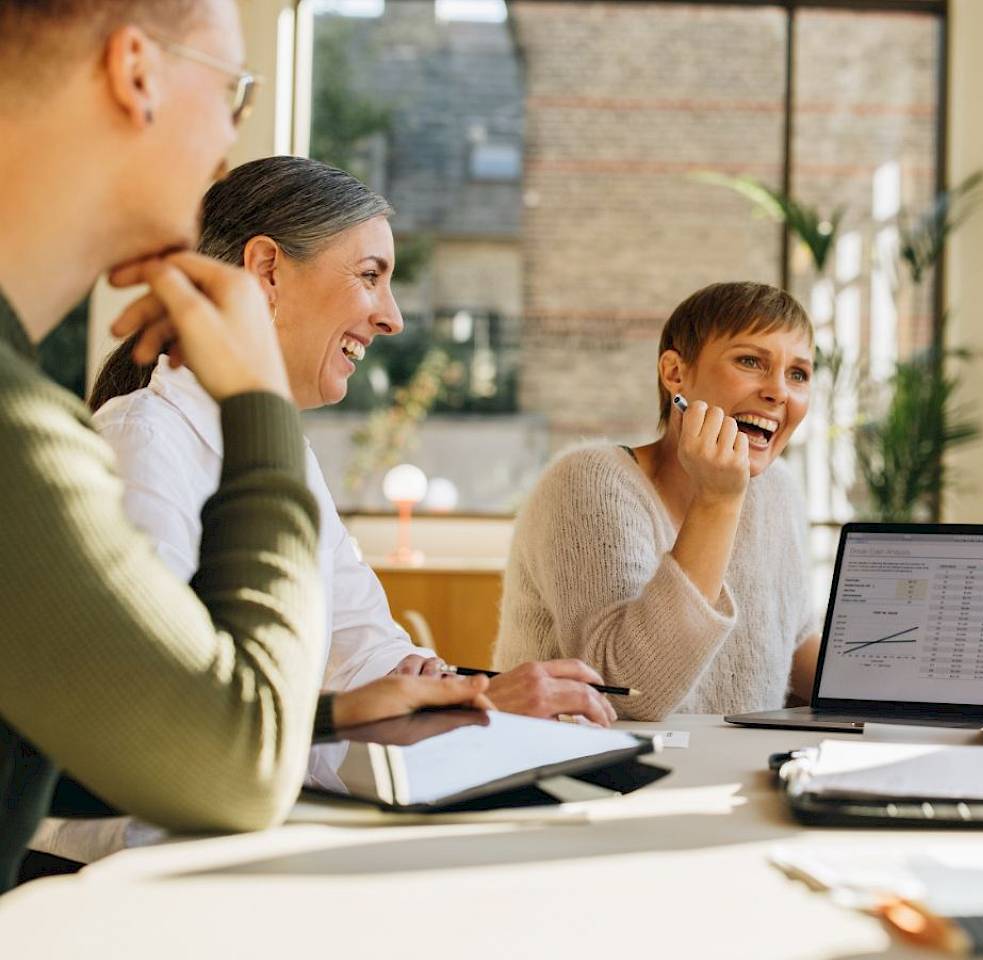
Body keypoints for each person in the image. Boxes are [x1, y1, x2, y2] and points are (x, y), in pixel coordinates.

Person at [0, 0, 487, 892]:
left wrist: (339, 713)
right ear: (136, 72)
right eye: (236, 92)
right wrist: (256, 401)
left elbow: (70, 745)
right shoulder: (44, 436)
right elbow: (227, 769)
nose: (226, 152)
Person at [86, 155, 616, 727]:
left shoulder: (286, 457)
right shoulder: (140, 443)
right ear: (267, 269)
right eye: (369, 276)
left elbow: (365, 650)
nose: (392, 319)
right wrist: (464, 707)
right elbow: (171, 707)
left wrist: (438, 687)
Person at [496, 282, 819, 721]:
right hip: (592, 778)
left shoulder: (778, 491)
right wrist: (719, 501)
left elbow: (794, 643)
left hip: (731, 778)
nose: (779, 392)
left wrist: (913, 689)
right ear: (675, 374)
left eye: (798, 374)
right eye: (750, 361)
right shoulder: (588, 481)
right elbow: (628, 691)